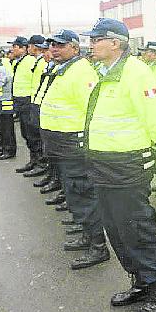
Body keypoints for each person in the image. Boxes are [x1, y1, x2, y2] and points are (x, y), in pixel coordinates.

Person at [81, 18, 156, 312]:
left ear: (115, 43)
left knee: (136, 228)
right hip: (103, 164)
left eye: (97, 39)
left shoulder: (135, 72)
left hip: (127, 166)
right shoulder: (104, 72)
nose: (92, 44)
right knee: (116, 229)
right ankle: (140, 282)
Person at [40, 30, 109, 270]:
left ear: (74, 48)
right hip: (60, 144)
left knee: (82, 194)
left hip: (73, 145)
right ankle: (86, 234)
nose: (54, 49)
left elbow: (91, 110)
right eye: (52, 45)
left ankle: (98, 246)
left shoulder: (81, 72)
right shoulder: (65, 69)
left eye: (60, 45)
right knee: (73, 193)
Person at [20, 35, 52, 177]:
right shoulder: (38, 62)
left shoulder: (42, 63)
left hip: (38, 104)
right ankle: (35, 161)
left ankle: (41, 164)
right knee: (30, 135)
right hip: (32, 101)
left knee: (37, 138)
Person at [7, 36, 38, 171]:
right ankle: (34, 160)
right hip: (19, 100)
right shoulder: (18, 62)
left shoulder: (31, 61)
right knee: (25, 133)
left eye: (15, 47)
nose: (12, 49)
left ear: (23, 48)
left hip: (27, 100)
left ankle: (39, 162)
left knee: (32, 134)